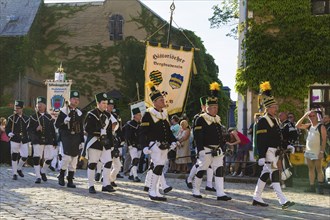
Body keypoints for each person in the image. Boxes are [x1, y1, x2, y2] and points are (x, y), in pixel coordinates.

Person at [252, 81, 295, 209]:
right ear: (268, 108)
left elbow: (278, 136)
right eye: (274, 106)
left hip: (275, 151)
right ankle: (283, 201)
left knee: (265, 174)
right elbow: (261, 139)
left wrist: (286, 145)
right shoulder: (263, 121)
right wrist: (260, 155)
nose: (276, 108)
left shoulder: (274, 120)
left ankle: (256, 197)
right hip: (268, 152)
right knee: (275, 173)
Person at [192, 82, 231, 201]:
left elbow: (219, 135)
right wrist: (200, 150)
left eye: (217, 107)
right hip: (206, 149)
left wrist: (223, 144)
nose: (216, 109)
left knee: (219, 169)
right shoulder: (201, 119)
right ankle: (196, 189)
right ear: (207, 107)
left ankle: (220, 193)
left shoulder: (217, 119)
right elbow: (198, 136)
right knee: (201, 169)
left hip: (217, 150)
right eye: (213, 107)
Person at [139, 81, 177, 201]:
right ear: (154, 102)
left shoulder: (164, 114)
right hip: (154, 144)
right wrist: (144, 146)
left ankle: (156, 190)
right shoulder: (148, 114)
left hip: (164, 145)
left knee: (160, 167)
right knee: (158, 166)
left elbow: (168, 131)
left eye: (163, 99)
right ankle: (152, 191)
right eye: (160, 100)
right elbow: (142, 132)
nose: (163, 101)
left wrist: (173, 141)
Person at [82, 92, 115, 194]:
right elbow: (87, 128)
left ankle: (106, 184)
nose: (105, 105)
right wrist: (99, 132)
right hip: (94, 142)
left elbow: (110, 131)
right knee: (92, 164)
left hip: (105, 143)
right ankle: (91, 185)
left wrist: (112, 144)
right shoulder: (91, 114)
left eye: (106, 103)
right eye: (103, 103)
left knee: (108, 162)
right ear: (98, 103)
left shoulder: (108, 115)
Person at [55, 91, 84, 188]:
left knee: (74, 159)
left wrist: (82, 141)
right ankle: (61, 176)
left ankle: (70, 179)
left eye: (77, 99)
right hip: (65, 136)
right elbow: (57, 125)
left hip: (75, 137)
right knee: (66, 157)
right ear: (70, 99)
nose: (76, 101)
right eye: (74, 99)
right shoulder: (63, 111)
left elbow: (81, 128)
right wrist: (64, 121)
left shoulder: (79, 113)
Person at [186, 96, 216, 192]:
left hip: (210, 145)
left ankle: (209, 184)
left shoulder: (212, 117)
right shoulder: (198, 117)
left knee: (210, 164)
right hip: (200, 145)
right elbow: (196, 133)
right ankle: (189, 179)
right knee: (200, 164)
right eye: (204, 105)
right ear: (202, 106)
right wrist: (198, 146)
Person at [296, 110, 326, 194]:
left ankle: (320, 188)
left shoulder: (321, 126)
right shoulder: (309, 126)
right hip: (309, 150)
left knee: (319, 169)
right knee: (311, 169)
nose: (312, 117)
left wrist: (322, 151)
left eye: (313, 116)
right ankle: (312, 186)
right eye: (310, 116)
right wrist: (304, 116)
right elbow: (297, 125)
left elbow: (324, 140)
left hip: (317, 151)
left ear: (317, 117)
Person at [27, 96, 57, 184]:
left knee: (50, 157)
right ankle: (38, 176)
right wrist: (36, 129)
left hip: (48, 140)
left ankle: (43, 171)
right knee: (37, 157)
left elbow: (52, 129)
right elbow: (29, 129)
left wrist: (55, 140)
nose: (38, 106)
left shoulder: (49, 117)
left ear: (44, 106)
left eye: (40, 104)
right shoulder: (33, 117)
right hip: (37, 140)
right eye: (37, 104)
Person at [5, 101, 30, 180]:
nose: (17, 110)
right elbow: (7, 128)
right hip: (15, 138)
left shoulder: (26, 118)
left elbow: (29, 129)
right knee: (14, 156)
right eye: (16, 108)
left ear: (22, 108)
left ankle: (19, 168)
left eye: (18, 108)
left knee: (25, 156)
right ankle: (14, 173)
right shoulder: (11, 118)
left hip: (24, 139)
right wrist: (9, 133)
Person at [278, 112, 298, 188]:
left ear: (285, 116)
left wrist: (289, 145)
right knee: (281, 165)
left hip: (286, 148)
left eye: (281, 115)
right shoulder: (280, 124)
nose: (279, 117)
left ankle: (288, 182)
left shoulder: (289, 124)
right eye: (279, 115)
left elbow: (294, 135)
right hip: (280, 147)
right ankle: (281, 181)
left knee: (287, 165)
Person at [125, 107, 143, 182]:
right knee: (135, 160)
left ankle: (131, 175)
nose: (140, 116)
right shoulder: (129, 124)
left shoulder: (140, 124)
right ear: (135, 115)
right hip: (132, 145)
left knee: (136, 160)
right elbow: (127, 136)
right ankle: (135, 176)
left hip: (139, 145)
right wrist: (129, 145)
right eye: (139, 115)